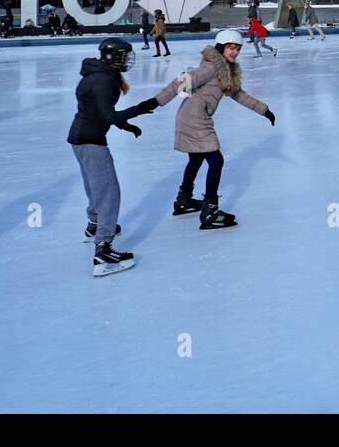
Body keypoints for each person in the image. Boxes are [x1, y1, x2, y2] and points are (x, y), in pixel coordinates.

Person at [148, 29, 275, 230]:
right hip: (195, 119)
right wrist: (155, 102)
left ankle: (184, 200)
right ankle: (210, 211)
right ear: (221, 47)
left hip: (191, 116)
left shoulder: (225, 70)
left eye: (237, 48)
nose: (234, 52)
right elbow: (182, 81)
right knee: (216, 160)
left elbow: (239, 95)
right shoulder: (212, 68)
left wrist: (264, 110)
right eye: (230, 47)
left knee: (197, 158)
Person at [67, 38, 155, 276]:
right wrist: (142, 107)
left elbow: (99, 112)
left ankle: (94, 225)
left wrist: (128, 127)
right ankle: (103, 248)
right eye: (124, 55)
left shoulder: (98, 75)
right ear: (111, 57)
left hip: (80, 138)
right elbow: (109, 116)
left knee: (95, 187)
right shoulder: (104, 81)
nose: (127, 59)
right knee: (108, 191)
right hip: (91, 140)